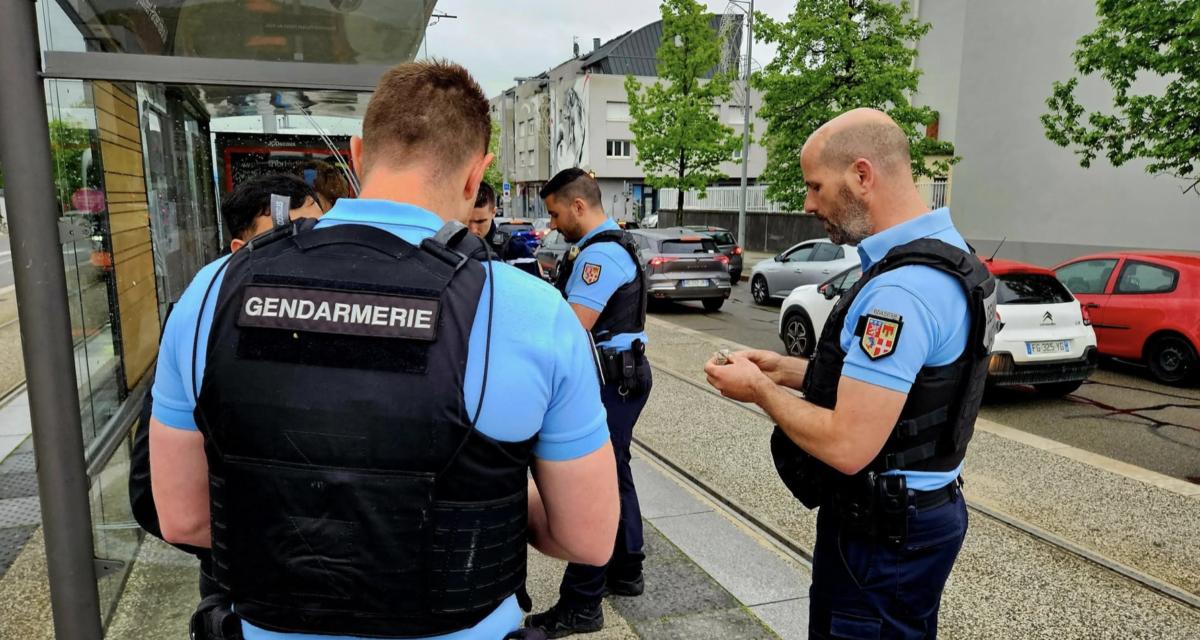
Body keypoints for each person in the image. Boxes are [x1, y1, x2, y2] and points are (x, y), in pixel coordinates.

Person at [149, 61, 620, 640]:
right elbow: (587, 537)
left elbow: (185, 517)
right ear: (477, 175)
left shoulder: (213, 290)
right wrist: (479, 495)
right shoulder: (532, 311)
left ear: (357, 153)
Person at [704, 109, 997, 639]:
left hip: (881, 535)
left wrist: (759, 390)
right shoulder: (955, 257)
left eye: (815, 186)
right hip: (923, 515)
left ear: (862, 175)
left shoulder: (899, 291)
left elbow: (848, 444)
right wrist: (788, 369)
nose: (808, 203)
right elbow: (909, 384)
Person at [129, 173, 326, 599]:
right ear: (239, 252)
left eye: (317, 231)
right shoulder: (202, 322)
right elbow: (159, 500)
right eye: (283, 237)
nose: (305, 250)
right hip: (245, 582)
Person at [528, 168, 652, 637]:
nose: (553, 224)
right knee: (616, 473)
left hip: (609, 380)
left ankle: (582, 601)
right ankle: (625, 568)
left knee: (590, 485)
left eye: (556, 213)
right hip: (624, 375)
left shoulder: (600, 255)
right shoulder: (619, 244)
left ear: (578, 206)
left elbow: (571, 326)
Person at [469, 181, 542, 278]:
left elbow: (536, 291)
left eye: (480, 222)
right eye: (468, 221)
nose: (473, 230)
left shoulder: (515, 251)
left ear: (494, 212)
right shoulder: (449, 245)